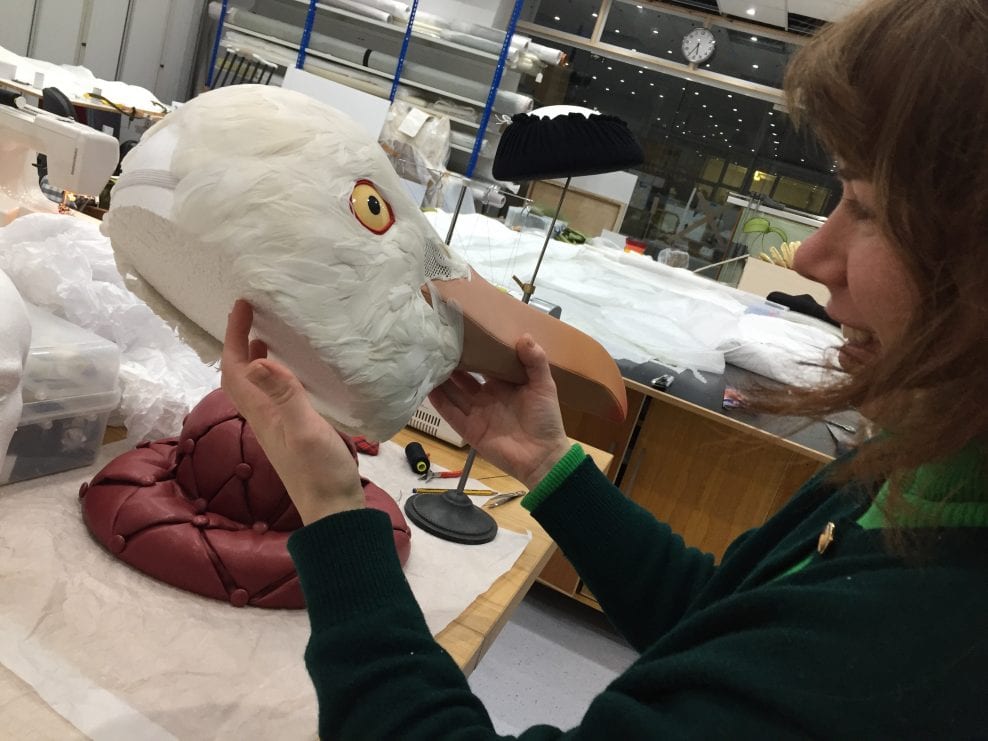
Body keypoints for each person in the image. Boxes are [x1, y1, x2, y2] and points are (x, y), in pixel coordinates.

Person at [220, 0, 987, 736]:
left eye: (868, 208)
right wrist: (549, 462)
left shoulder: (922, 650)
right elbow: (719, 615)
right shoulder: (910, 470)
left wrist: (329, 503)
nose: (814, 257)